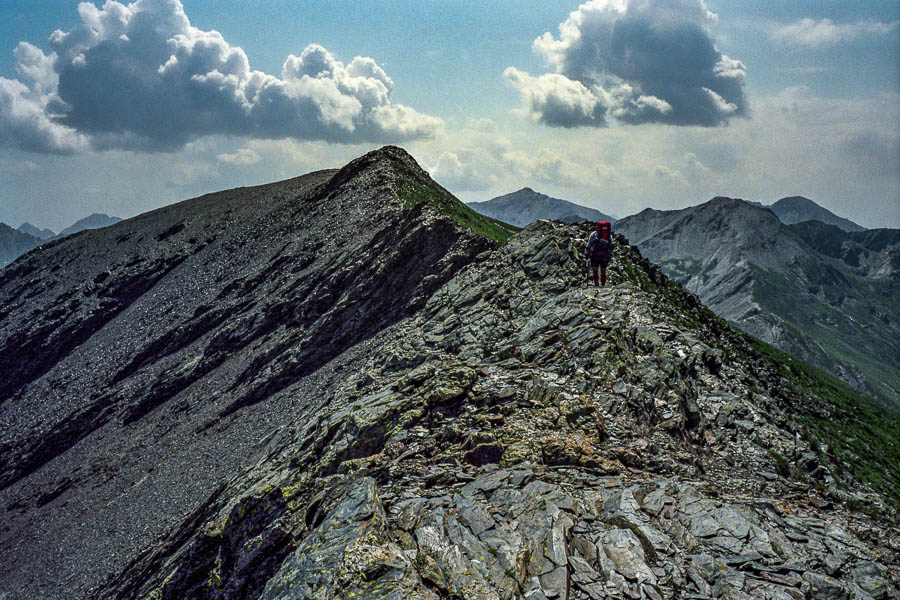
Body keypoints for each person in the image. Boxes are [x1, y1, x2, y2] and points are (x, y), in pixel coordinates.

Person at [585, 221, 613, 287]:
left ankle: (596, 284)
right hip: (604, 256)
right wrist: (611, 255)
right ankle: (603, 284)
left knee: (595, 270)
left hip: (594, 254)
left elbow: (588, 244)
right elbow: (611, 245)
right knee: (603, 271)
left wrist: (586, 254)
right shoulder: (609, 235)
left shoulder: (594, 234)